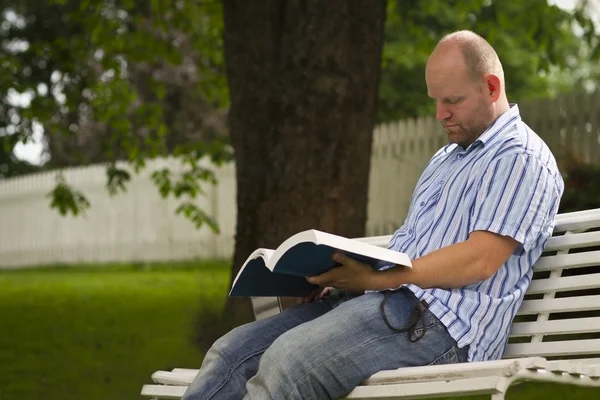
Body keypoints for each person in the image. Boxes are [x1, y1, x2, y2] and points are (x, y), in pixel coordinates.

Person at [182, 30, 564, 400]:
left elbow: (480, 259)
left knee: (289, 362)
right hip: (382, 299)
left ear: (492, 88)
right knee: (230, 353)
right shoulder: (447, 159)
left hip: (440, 325)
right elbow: (412, 244)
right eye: (435, 100)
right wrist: (348, 277)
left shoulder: (521, 158)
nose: (440, 114)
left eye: (452, 100)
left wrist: (380, 280)